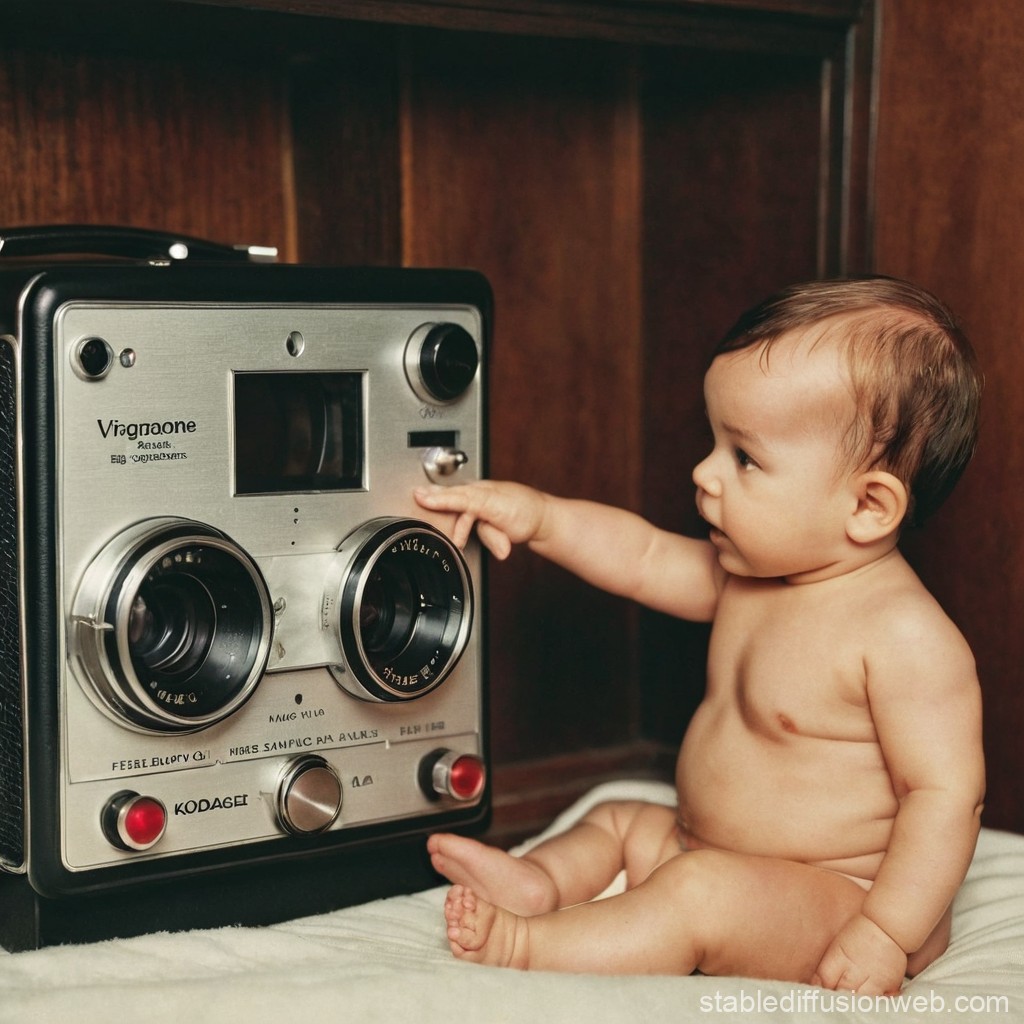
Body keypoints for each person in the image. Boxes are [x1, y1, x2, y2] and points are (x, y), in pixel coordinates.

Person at [413, 277, 986, 994]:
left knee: (698, 893)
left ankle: (528, 944)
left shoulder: (904, 636)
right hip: (702, 844)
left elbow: (945, 796)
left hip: (838, 899)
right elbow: (643, 556)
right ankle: (539, 883)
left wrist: (885, 932)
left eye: (744, 458)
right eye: (714, 443)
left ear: (868, 505)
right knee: (621, 818)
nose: (704, 473)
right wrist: (541, 517)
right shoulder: (749, 578)